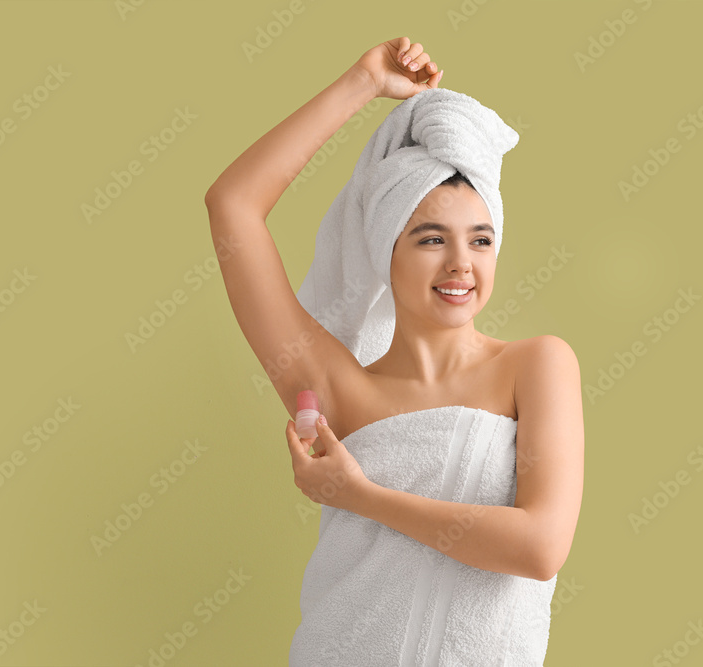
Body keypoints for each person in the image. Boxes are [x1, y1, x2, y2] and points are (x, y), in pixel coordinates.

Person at [205, 36, 584, 665]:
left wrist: (360, 495)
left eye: (481, 240)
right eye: (431, 239)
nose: (461, 264)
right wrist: (364, 82)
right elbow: (233, 205)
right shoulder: (339, 390)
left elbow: (539, 547)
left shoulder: (536, 365)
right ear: (386, 249)